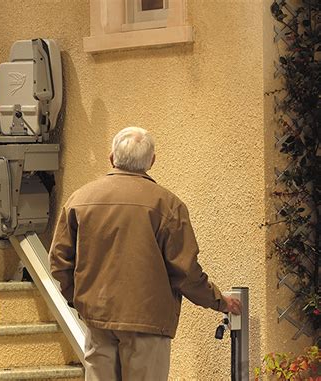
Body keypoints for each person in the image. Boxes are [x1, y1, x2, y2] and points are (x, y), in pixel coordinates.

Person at [49, 127, 242, 381]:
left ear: (111, 158)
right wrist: (219, 300)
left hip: (98, 321)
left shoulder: (80, 199)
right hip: (148, 324)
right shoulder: (168, 205)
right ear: (151, 161)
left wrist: (80, 301)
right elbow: (185, 272)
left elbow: (59, 261)